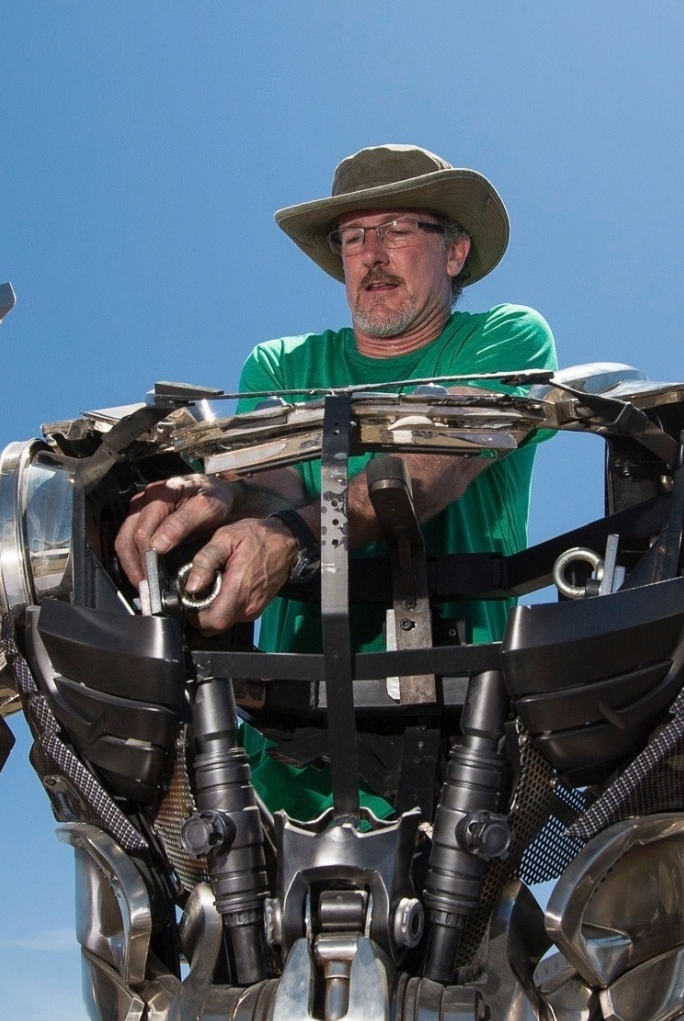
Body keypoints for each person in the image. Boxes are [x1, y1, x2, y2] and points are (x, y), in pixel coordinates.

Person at [112, 145, 557, 816]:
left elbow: (435, 465)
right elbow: (273, 480)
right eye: (354, 237)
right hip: (283, 746)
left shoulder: (507, 336)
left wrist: (291, 534)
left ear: (456, 251)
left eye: (398, 229)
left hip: (460, 734)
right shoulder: (283, 362)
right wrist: (216, 493)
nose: (372, 253)